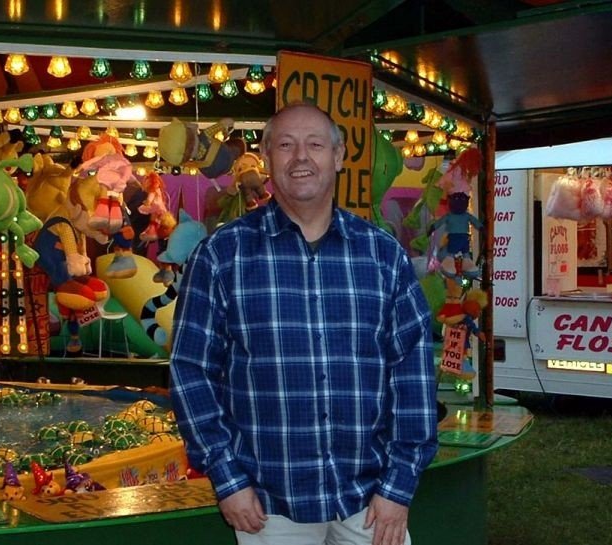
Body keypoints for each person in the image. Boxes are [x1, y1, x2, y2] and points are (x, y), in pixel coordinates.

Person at [169, 102, 438, 545]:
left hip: (370, 500)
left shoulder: (382, 255)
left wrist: (399, 485)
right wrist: (226, 475)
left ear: (338, 156)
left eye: (315, 144)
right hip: (268, 506)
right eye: (286, 145)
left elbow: (412, 371)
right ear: (266, 156)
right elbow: (191, 371)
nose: (300, 158)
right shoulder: (221, 256)